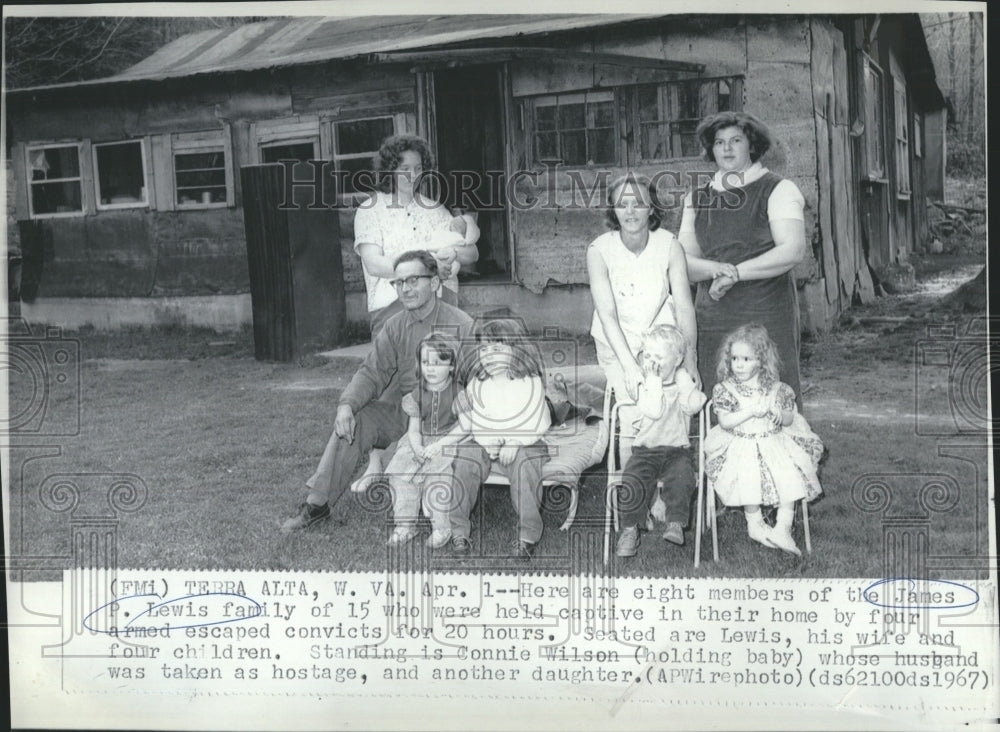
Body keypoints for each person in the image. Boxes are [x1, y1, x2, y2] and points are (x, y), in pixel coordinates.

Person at [281, 250, 473, 532]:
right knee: (356, 420)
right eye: (399, 282)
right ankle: (317, 504)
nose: (405, 288)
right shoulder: (394, 326)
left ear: (434, 284)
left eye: (413, 280)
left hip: (448, 420)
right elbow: (372, 372)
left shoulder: (461, 324)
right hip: (408, 414)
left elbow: (479, 382)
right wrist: (346, 405)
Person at [678, 111, 808, 409]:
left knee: (771, 393)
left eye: (735, 140)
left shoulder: (777, 188)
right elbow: (684, 262)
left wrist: (734, 273)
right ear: (710, 149)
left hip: (766, 313)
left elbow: (792, 250)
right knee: (720, 396)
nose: (726, 148)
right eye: (719, 142)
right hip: (713, 317)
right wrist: (714, 270)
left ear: (752, 145)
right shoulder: (695, 198)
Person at [587, 172, 698, 466]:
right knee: (634, 414)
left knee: (673, 408)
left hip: (662, 344)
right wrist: (629, 368)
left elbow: (685, 307)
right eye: (622, 205)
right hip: (617, 345)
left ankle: (670, 485)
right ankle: (633, 494)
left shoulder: (670, 245)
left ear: (651, 208)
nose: (630, 211)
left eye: (638, 203)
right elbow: (607, 315)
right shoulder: (599, 250)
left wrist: (690, 358)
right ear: (613, 210)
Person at [703, 323, 823, 556]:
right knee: (747, 472)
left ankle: (782, 527)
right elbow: (725, 422)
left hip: (773, 440)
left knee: (790, 471)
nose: (739, 364)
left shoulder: (777, 389)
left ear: (761, 360)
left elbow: (789, 419)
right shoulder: (725, 389)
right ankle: (755, 523)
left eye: (747, 359)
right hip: (739, 443)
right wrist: (750, 411)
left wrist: (781, 415)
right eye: (735, 358)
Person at [354, 134, 480, 335]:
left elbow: (472, 253)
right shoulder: (370, 210)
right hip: (393, 306)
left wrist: (454, 253)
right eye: (405, 169)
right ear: (390, 170)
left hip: (441, 301)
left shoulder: (435, 209)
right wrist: (427, 268)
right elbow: (374, 264)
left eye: (418, 168)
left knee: (446, 363)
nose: (413, 175)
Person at [447, 318, 551, 559]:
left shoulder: (530, 382)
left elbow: (539, 420)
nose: (488, 355)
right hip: (488, 440)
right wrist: (487, 441)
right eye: (483, 349)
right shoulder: (478, 383)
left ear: (516, 350)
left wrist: (514, 441)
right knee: (465, 458)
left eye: (496, 348)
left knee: (525, 464)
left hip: (527, 440)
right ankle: (459, 530)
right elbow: (477, 419)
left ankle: (528, 534)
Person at [615, 325, 707, 558]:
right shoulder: (644, 382)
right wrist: (654, 381)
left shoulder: (682, 378)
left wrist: (695, 397)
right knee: (632, 479)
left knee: (683, 477)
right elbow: (654, 410)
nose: (652, 362)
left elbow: (690, 405)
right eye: (648, 356)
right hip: (646, 449)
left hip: (676, 450)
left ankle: (675, 522)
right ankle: (630, 530)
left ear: (677, 360)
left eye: (658, 357)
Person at [384, 332, 462, 549]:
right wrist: (417, 447)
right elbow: (414, 429)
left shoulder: (458, 392)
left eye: (438, 363)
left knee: (438, 481)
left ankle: (441, 528)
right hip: (419, 441)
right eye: (426, 362)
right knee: (401, 477)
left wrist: (441, 444)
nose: (431, 368)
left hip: (447, 442)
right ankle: (405, 525)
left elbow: (466, 426)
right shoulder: (417, 394)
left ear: (452, 366)